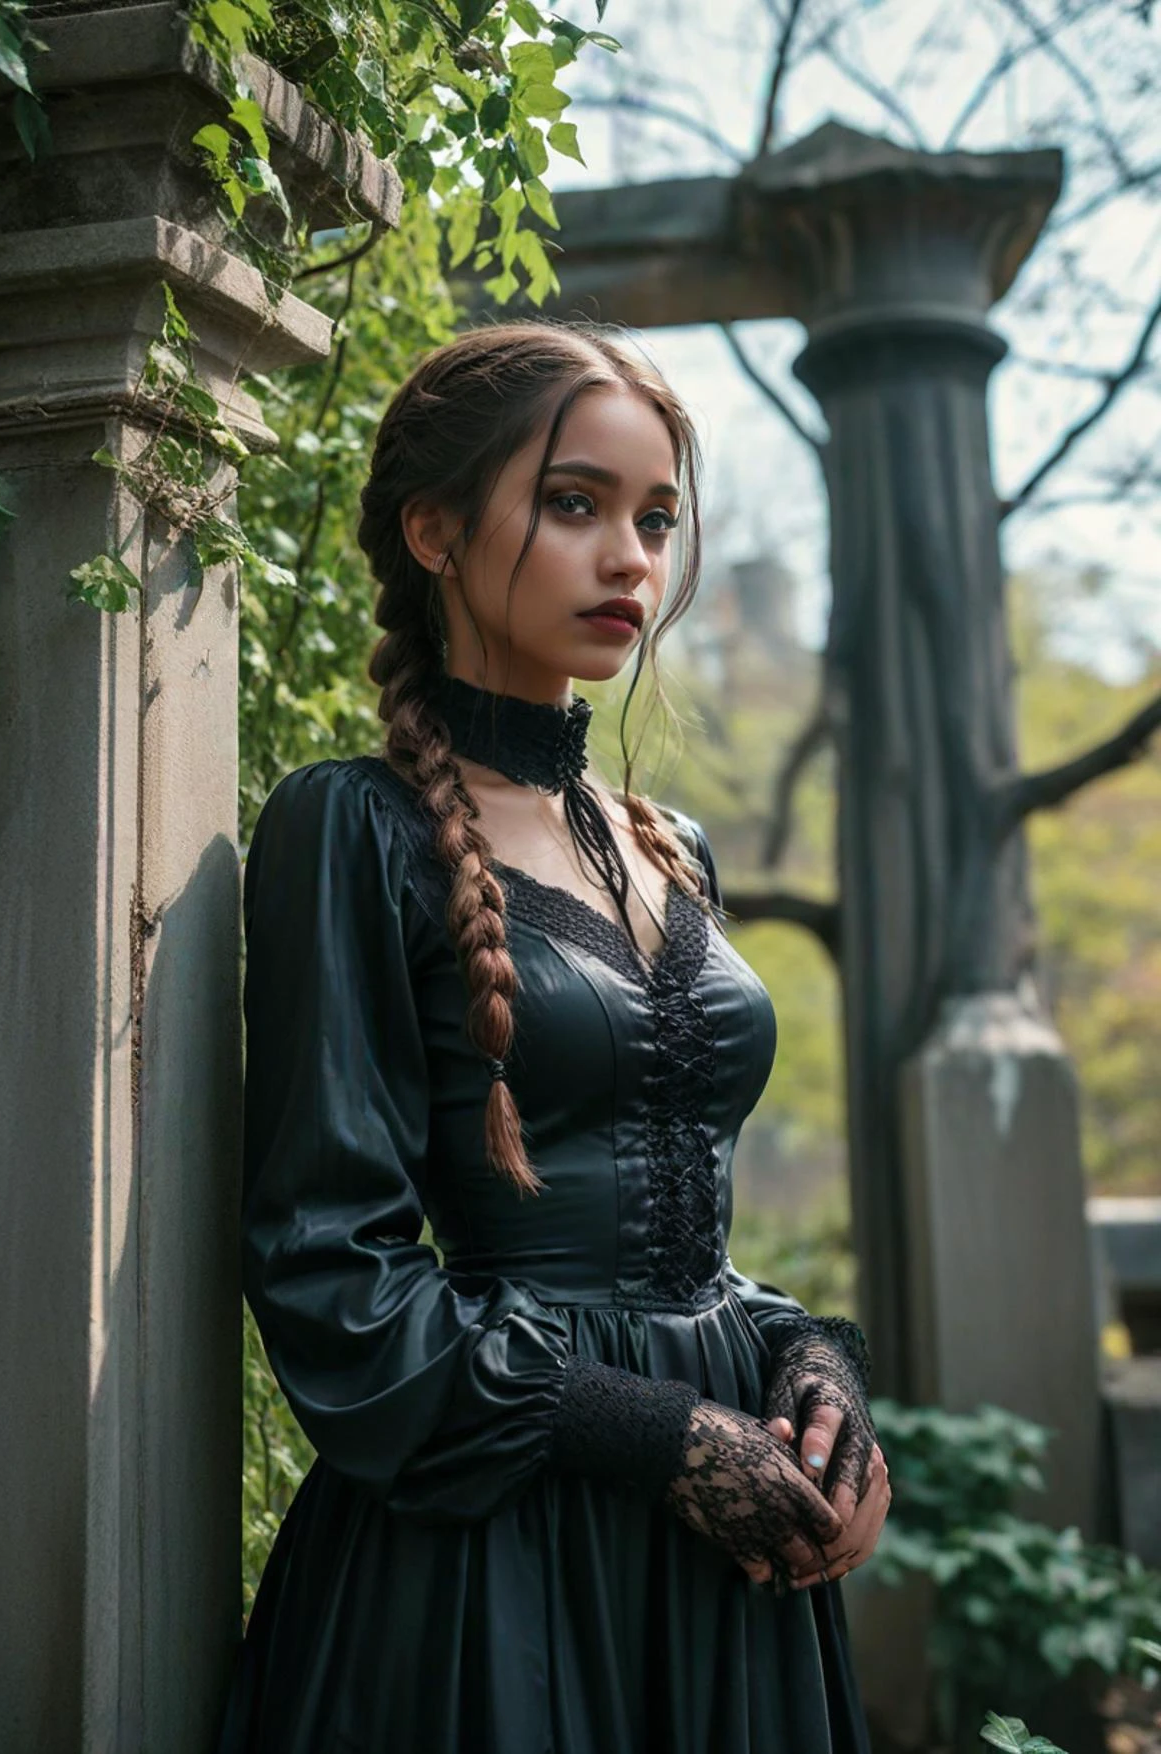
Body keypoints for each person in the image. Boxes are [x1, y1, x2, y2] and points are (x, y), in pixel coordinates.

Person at [220, 319, 890, 1754]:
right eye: (576, 503)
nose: (632, 558)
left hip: (726, 1552)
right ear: (437, 528)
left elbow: (671, 1232)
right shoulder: (352, 827)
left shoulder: (675, 847)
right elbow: (330, 1274)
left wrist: (805, 1364)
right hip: (493, 1553)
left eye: (656, 518)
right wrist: (646, 1433)